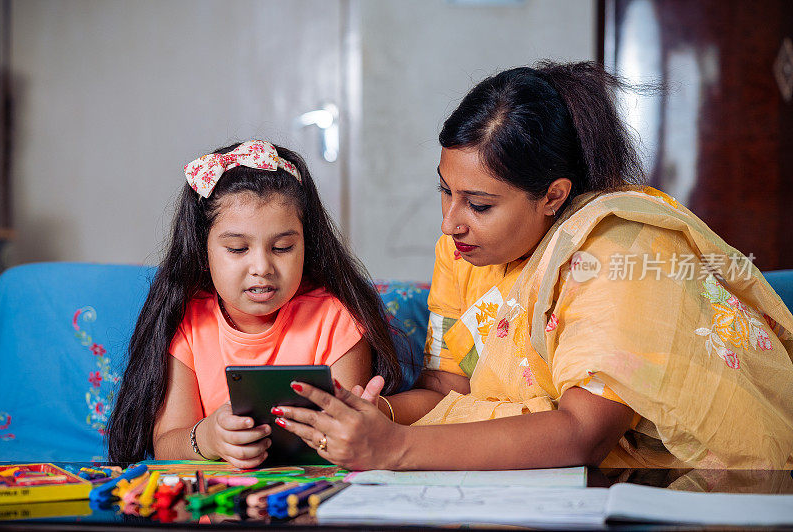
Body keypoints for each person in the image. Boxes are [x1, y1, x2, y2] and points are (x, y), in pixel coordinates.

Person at [275, 61, 793, 470]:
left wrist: (395, 449)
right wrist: (373, 416)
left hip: (682, 476)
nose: (451, 222)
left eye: (478, 205)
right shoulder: (461, 253)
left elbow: (584, 434)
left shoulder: (616, 253)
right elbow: (446, 393)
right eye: (444, 191)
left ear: (553, 196)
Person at [107, 140, 404, 468]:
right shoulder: (188, 321)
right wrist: (208, 437)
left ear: (308, 246)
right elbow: (167, 445)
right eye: (237, 249)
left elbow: (350, 436)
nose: (262, 267)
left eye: (283, 248)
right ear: (202, 252)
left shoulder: (337, 320)